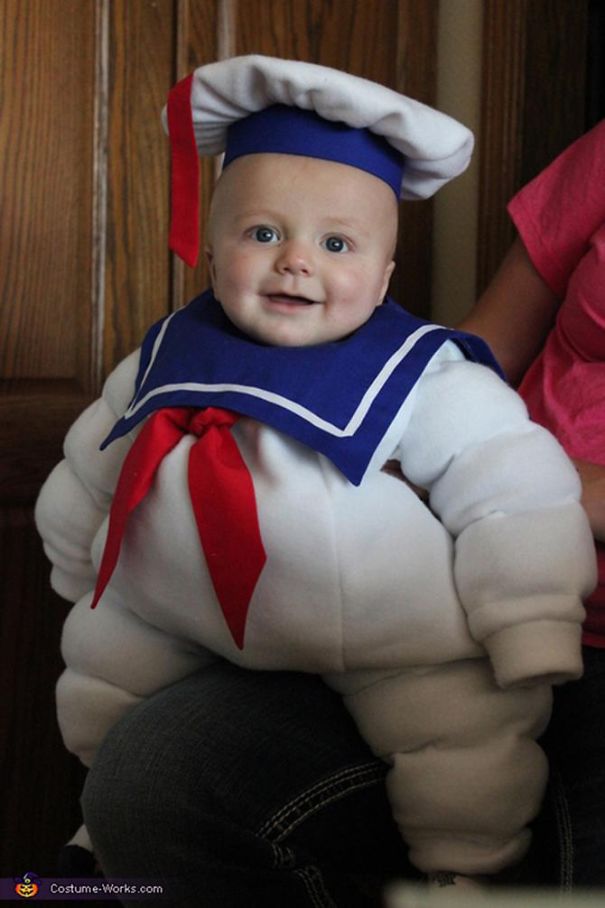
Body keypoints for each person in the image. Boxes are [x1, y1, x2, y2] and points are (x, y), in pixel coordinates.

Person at [35, 55, 596, 902]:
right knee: (107, 676)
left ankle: (468, 867)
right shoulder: (169, 354)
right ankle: (95, 835)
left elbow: (512, 487)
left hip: (395, 632)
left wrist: (531, 623)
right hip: (184, 613)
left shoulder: (425, 378)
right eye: (263, 234)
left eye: (335, 245)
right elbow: (97, 454)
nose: (295, 262)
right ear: (212, 245)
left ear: (383, 279)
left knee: (457, 734)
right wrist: (77, 558)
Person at [459, 118, 605, 887]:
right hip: (471, 581)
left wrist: (555, 487)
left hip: (591, 646)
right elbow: (476, 354)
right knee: (165, 768)